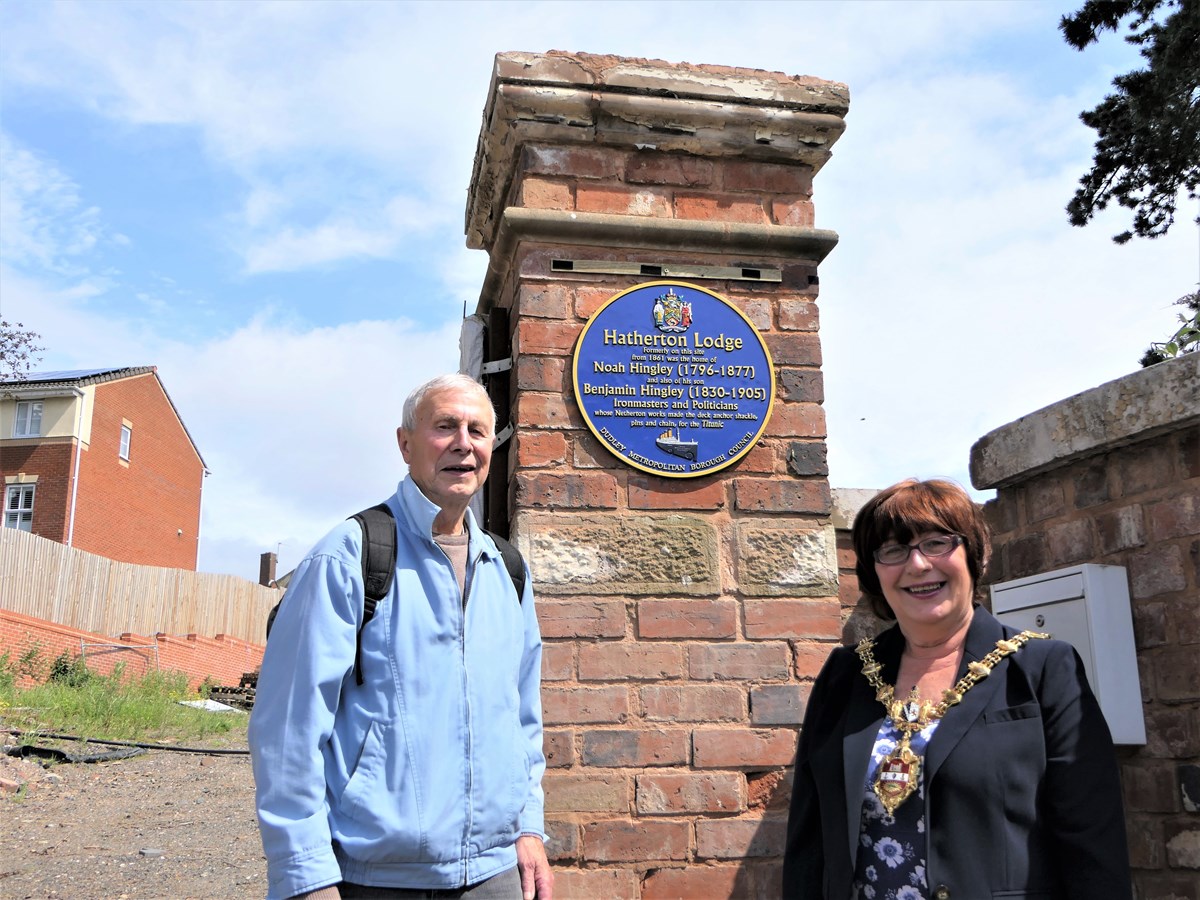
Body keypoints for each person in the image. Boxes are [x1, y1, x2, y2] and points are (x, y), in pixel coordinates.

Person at [249, 374, 553, 900]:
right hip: (375, 878)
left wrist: (528, 826)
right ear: (405, 443)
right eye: (444, 426)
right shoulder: (349, 555)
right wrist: (306, 876)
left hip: (495, 874)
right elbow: (288, 729)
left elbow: (522, 717)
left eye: (477, 430)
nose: (463, 442)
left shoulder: (506, 569)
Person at [783, 478, 1131, 899]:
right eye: (893, 550)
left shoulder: (1041, 668)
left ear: (974, 554)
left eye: (936, 543)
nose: (917, 565)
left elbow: (1091, 837)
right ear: (874, 572)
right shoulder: (847, 673)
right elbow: (810, 835)